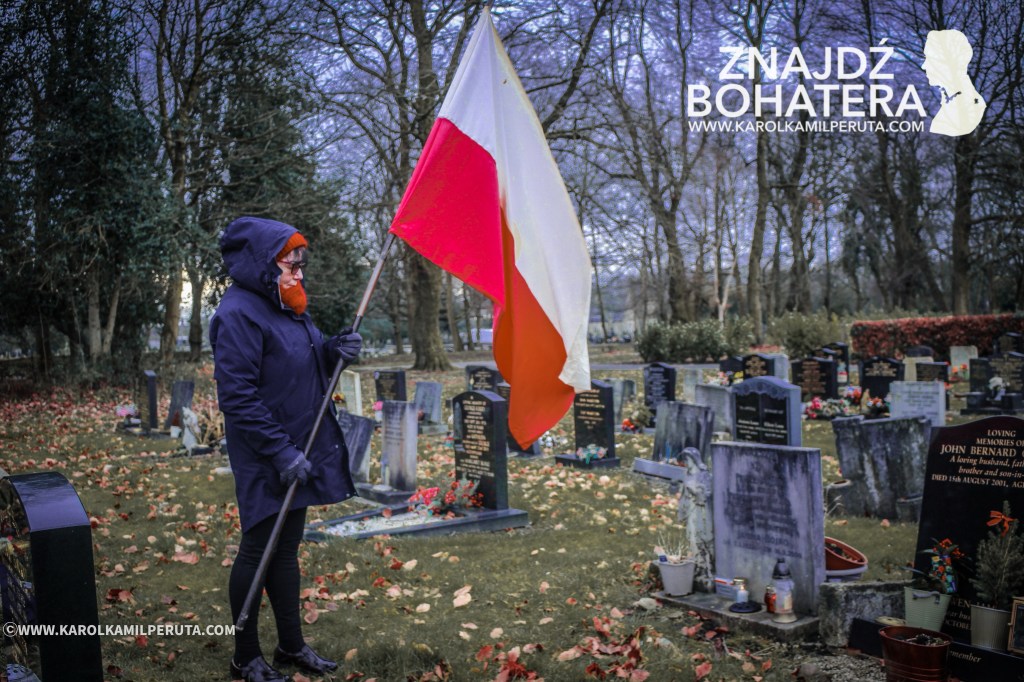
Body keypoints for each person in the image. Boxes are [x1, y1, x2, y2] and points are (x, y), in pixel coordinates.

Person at [210, 216, 362, 682]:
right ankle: (245, 658)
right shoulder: (237, 313)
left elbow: (301, 362)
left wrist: (335, 350)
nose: (298, 273)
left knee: (286, 550)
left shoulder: (286, 304)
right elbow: (237, 396)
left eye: (301, 265)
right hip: (266, 452)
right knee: (258, 549)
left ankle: (291, 646)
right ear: (263, 263)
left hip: (298, 445)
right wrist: (280, 453)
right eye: (290, 264)